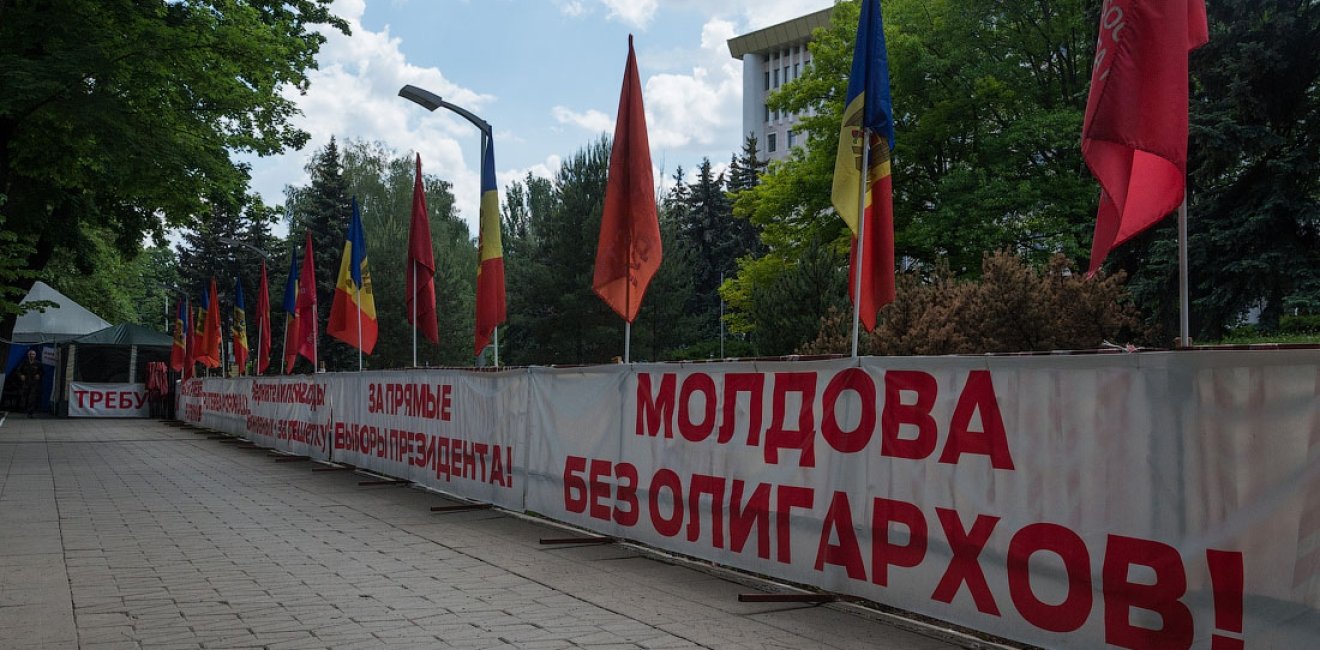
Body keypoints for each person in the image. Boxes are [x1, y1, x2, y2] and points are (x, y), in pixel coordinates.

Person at [16, 348, 43, 417]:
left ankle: (30, 412)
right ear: (28, 355)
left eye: (33, 354)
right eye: (30, 354)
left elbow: (42, 371)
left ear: (35, 355)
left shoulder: (38, 363)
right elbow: (18, 370)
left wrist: (39, 375)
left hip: (34, 383)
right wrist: (21, 375)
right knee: (24, 397)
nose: (32, 355)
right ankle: (23, 410)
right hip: (25, 383)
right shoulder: (24, 363)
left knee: (32, 397)